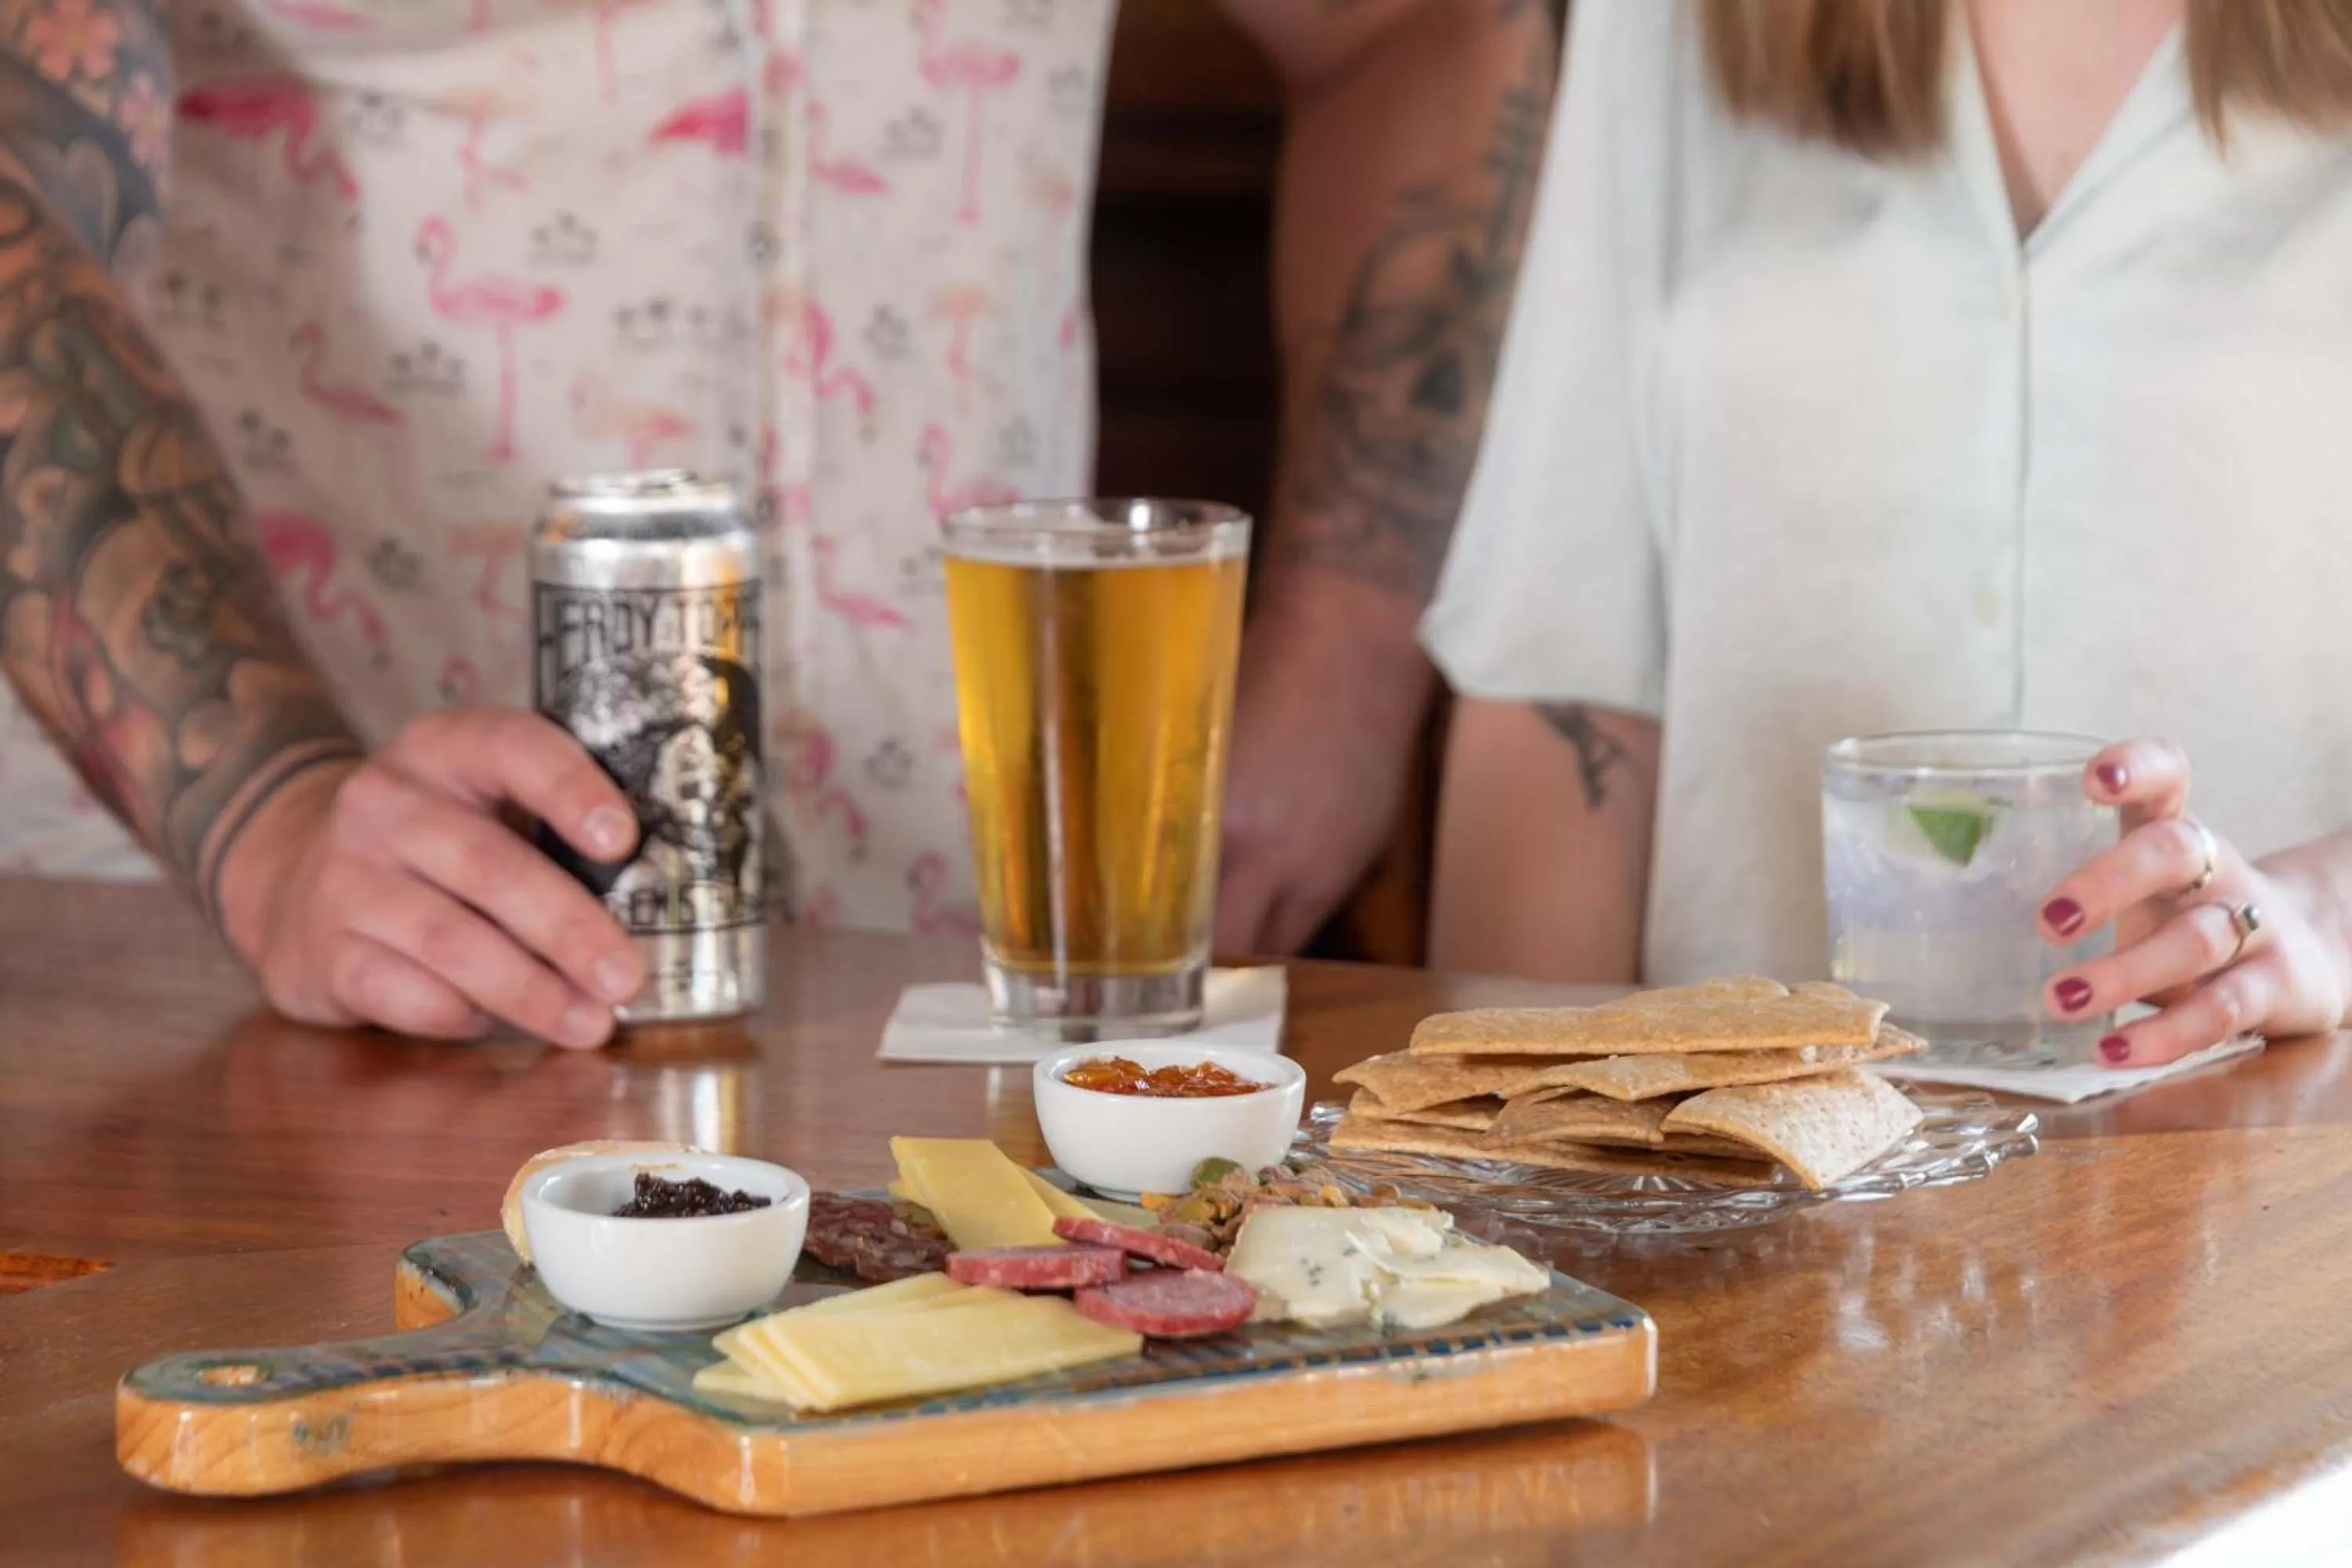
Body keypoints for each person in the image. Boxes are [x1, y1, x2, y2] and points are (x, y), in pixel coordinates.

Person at [0, 0, 1555, 1045]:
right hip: (303, 969)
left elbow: (1412, 25)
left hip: (945, 971)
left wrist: (1352, 635)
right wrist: (268, 820)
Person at [1424, 0, 2352, 1067]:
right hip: (1746, 1184)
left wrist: (2323, 913)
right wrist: (1520, 1174)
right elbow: (1565, 665)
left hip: (2290, 1173)